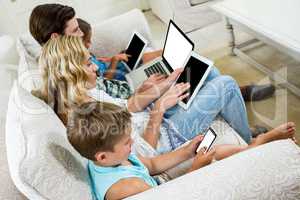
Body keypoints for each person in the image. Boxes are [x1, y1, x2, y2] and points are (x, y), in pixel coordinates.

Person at [34, 35, 282, 158]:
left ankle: (240, 124)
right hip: (165, 137)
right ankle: (250, 142)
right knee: (226, 84)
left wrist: (159, 87)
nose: (97, 67)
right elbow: (147, 153)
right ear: (72, 72)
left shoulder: (84, 92)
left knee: (206, 71)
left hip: (153, 119)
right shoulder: (86, 117)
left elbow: (127, 107)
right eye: (89, 64)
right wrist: (160, 106)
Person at [29, 3, 276, 102]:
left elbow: (103, 76)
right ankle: (235, 93)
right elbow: (110, 99)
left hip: (126, 84)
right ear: (55, 37)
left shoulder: (72, 56)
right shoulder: (62, 74)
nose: (81, 35)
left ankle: (235, 94)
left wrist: (115, 62)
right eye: (74, 30)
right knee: (195, 70)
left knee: (190, 63)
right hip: (130, 93)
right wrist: (144, 87)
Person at [67, 101, 296, 200]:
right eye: (127, 141)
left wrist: (187, 152)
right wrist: (196, 169)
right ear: (103, 156)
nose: (132, 144)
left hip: (157, 186)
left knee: (214, 150)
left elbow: (153, 165)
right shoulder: (125, 188)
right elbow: (174, 195)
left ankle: (256, 145)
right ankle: (259, 146)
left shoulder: (114, 158)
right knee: (213, 161)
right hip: (170, 192)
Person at [77, 18, 162, 81]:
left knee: (142, 52)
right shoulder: (82, 65)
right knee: (143, 57)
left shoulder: (87, 54)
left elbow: (101, 64)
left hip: (117, 67)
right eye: (87, 41)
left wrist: (109, 59)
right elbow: (106, 82)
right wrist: (114, 60)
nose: (90, 44)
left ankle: (165, 53)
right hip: (120, 76)